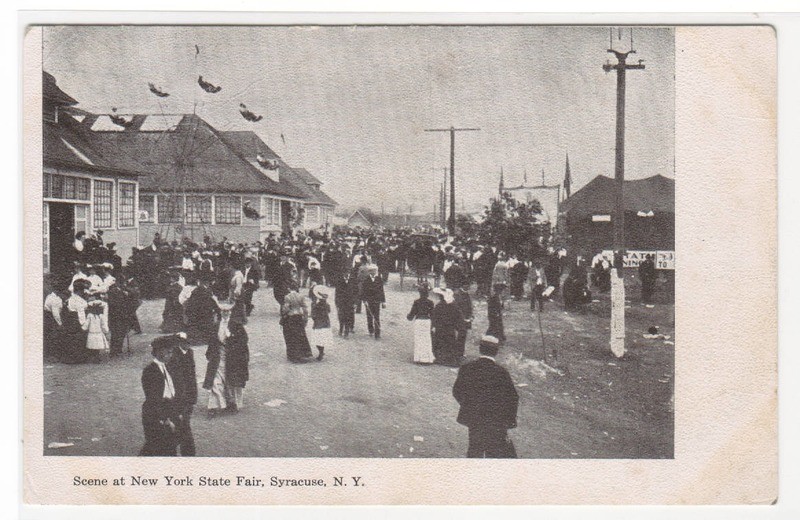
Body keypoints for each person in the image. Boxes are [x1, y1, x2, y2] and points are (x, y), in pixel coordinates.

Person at [452, 335, 519, 458]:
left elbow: (457, 391)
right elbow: (512, 398)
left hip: (474, 418)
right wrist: (507, 421)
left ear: (480, 349)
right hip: (495, 421)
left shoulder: (467, 368)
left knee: (474, 449)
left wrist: (468, 404)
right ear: (496, 351)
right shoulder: (502, 372)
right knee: (493, 453)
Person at [140, 335, 179, 456]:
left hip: (166, 410)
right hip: (156, 415)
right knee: (158, 448)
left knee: (163, 447)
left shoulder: (165, 367)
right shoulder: (150, 371)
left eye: (171, 352)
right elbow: (153, 399)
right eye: (168, 352)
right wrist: (165, 420)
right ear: (159, 352)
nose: (171, 355)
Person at [166, 332, 197, 456]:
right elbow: (174, 378)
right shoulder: (173, 356)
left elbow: (192, 376)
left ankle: (184, 451)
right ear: (180, 343)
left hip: (188, 396)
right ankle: (185, 452)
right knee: (181, 425)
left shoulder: (190, 353)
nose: (188, 345)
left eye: (189, 342)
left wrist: (193, 396)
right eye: (185, 342)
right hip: (177, 397)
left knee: (184, 425)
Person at [203, 301, 234, 417]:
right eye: (223, 311)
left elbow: (242, 341)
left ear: (230, 312)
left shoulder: (235, 325)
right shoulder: (216, 325)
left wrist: (232, 337)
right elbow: (211, 341)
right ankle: (213, 406)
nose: (225, 313)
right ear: (221, 312)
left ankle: (231, 403)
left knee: (229, 381)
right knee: (215, 381)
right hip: (217, 357)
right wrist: (210, 354)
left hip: (230, 357)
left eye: (227, 311)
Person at [279, 289, 314, 363]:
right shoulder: (301, 296)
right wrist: (305, 319)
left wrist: (284, 315)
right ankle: (304, 353)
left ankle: (294, 354)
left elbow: (286, 309)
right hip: (299, 316)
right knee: (301, 334)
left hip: (291, 317)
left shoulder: (287, 297)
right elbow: (305, 309)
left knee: (292, 335)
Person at [431, 287, 463, 366]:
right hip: (450, 328)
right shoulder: (454, 306)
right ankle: (449, 359)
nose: (439, 297)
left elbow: (434, 316)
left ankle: (441, 358)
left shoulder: (439, 306)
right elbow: (459, 317)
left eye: (441, 296)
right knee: (449, 342)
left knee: (441, 342)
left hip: (441, 327)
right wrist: (457, 327)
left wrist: (434, 325)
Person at [61, 279, 90, 363]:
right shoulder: (79, 300)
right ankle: (78, 358)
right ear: (81, 290)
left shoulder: (71, 298)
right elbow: (81, 314)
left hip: (70, 320)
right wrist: (84, 325)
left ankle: (71, 357)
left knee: (71, 338)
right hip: (76, 320)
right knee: (77, 338)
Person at [224, 321, 250, 411]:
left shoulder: (238, 326)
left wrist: (230, 339)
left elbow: (244, 340)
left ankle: (237, 403)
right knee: (229, 380)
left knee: (238, 381)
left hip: (239, 358)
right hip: (228, 358)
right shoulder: (220, 325)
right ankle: (231, 402)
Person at [406, 282, 434, 364]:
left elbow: (411, 316)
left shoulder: (417, 302)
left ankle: (418, 358)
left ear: (420, 293)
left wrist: (408, 316)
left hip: (419, 321)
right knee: (427, 339)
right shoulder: (430, 303)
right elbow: (433, 315)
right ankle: (427, 358)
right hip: (427, 321)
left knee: (419, 339)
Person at [43, 278, 66, 362]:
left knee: (49, 336)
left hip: (47, 317)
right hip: (51, 318)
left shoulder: (50, 296)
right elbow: (55, 314)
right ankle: (53, 356)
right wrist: (60, 323)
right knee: (54, 336)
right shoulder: (55, 299)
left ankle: (49, 355)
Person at [361, 264, 386, 339]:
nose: (374, 272)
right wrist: (364, 300)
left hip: (377, 301)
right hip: (369, 301)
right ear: (369, 271)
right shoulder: (366, 280)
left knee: (377, 316)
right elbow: (363, 291)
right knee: (369, 316)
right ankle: (371, 330)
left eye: (375, 270)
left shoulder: (379, 279)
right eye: (372, 271)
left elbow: (381, 291)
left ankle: (377, 334)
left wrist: (383, 301)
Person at [82, 297, 110, 363]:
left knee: (92, 346)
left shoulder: (89, 316)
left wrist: (83, 328)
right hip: (98, 333)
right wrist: (106, 331)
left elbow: (86, 324)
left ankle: (94, 357)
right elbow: (103, 325)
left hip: (91, 333)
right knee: (97, 346)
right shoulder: (101, 316)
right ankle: (96, 357)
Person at [310, 285, 332, 361]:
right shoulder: (327, 305)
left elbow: (313, 315)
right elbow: (329, 311)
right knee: (322, 338)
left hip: (318, 324)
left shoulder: (316, 305)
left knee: (317, 339)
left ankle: (321, 352)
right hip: (325, 323)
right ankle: (322, 351)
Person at [453, 281, 474, 360]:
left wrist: (471, 316)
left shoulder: (467, 294)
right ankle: (458, 353)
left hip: (466, 318)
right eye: (467, 285)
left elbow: (470, 306)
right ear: (463, 285)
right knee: (460, 336)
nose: (469, 286)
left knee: (463, 336)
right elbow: (456, 307)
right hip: (459, 318)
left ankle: (460, 353)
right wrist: (462, 317)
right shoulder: (457, 294)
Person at [334, 270, 356, 337]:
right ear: (343, 274)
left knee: (348, 317)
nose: (347, 275)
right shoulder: (339, 281)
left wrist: (355, 303)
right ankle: (341, 330)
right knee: (341, 317)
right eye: (345, 273)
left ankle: (346, 332)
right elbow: (337, 293)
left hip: (350, 303)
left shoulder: (352, 281)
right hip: (341, 303)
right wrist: (337, 303)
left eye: (348, 273)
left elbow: (355, 292)